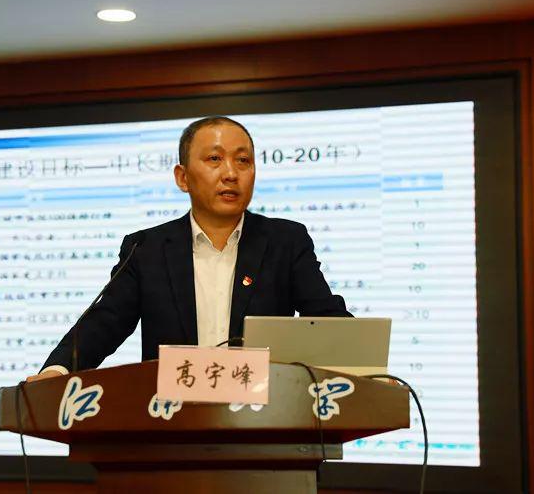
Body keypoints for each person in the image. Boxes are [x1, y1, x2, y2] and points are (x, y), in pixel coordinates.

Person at [27, 116, 351, 382]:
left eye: (243, 161)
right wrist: (58, 370)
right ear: (182, 178)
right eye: (214, 159)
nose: (231, 173)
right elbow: (105, 322)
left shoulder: (285, 241)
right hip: (173, 424)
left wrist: (365, 367)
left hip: (262, 421)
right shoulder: (147, 249)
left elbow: (326, 318)